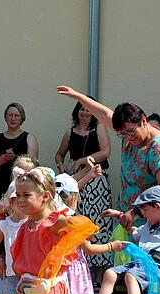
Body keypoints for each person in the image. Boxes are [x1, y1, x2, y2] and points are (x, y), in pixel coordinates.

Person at [56, 86, 160, 230]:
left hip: (150, 223)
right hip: (125, 216)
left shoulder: (158, 148)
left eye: (131, 132)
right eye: (122, 134)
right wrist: (78, 96)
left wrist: (136, 212)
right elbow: (105, 114)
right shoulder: (127, 130)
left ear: (144, 121)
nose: (128, 138)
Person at [54, 174, 120, 294]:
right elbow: (89, 249)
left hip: (57, 270)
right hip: (74, 271)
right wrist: (111, 246)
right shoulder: (75, 221)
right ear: (74, 197)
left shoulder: (52, 218)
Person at [54, 99, 114, 275]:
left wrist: (80, 160)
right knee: (77, 221)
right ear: (76, 112)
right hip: (74, 183)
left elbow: (105, 152)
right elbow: (59, 154)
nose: (85, 113)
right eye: (82, 109)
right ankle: (80, 268)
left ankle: (100, 272)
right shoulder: (70, 132)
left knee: (98, 224)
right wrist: (61, 167)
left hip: (96, 181)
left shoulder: (99, 128)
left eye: (88, 110)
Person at [0, 103, 40, 220]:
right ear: (5, 118)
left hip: (21, 188)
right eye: (10, 115)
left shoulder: (29, 138)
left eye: (17, 115)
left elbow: (33, 165)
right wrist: (4, 158)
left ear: (22, 118)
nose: (13, 118)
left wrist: (16, 158)